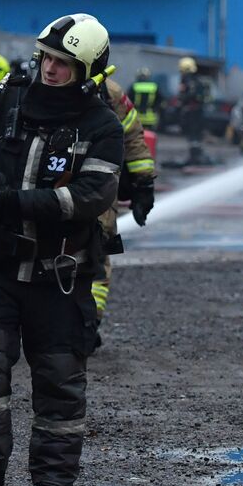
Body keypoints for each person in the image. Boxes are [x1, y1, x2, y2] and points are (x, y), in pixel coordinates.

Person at [0, 13, 123, 486]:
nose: (51, 69)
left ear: (87, 71)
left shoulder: (102, 125)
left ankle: (52, 483)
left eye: (64, 63)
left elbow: (90, 196)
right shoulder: (8, 101)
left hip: (58, 275)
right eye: (47, 58)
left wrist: (14, 202)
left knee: (60, 381)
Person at [91, 74, 157, 320]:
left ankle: (89, 321)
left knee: (96, 259)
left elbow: (132, 137)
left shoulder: (110, 92)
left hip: (101, 192)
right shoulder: (36, 87)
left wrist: (144, 184)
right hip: (51, 193)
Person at [176, 56, 212, 165]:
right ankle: (196, 156)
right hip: (197, 111)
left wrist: (182, 99)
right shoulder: (197, 80)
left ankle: (195, 157)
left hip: (193, 112)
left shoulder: (189, 81)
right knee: (195, 135)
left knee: (193, 135)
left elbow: (189, 95)